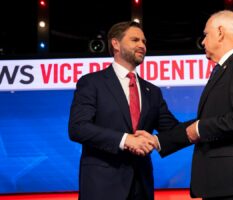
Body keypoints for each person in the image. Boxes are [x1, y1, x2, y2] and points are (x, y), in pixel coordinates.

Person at [136, 10, 233, 200]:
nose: (203, 42)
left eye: (206, 35)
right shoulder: (227, 68)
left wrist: (200, 129)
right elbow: (206, 121)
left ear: (220, 33)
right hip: (226, 183)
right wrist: (158, 141)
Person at [68, 21, 179, 200]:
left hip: (141, 186)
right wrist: (125, 140)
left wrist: (204, 124)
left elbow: (173, 130)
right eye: (135, 40)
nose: (142, 45)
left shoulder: (153, 92)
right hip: (102, 187)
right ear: (115, 44)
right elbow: (78, 128)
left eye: (144, 41)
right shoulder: (92, 83)